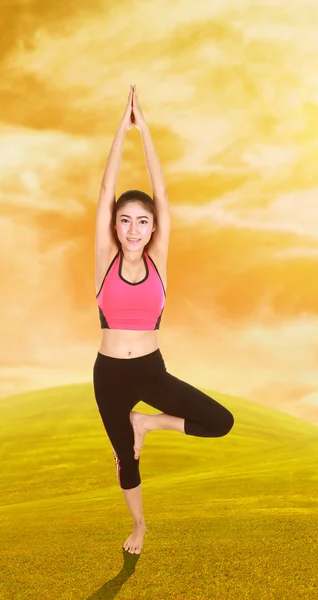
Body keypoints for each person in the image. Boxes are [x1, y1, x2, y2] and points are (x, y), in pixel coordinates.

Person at [92, 85, 234, 555]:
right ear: (115, 226)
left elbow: (164, 194)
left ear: (154, 228)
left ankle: (148, 424)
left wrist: (144, 130)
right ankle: (139, 525)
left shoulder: (160, 263)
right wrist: (121, 130)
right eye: (126, 221)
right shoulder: (104, 262)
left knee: (220, 422)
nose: (134, 229)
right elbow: (105, 191)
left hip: (151, 370)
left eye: (143, 222)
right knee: (126, 465)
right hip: (109, 375)